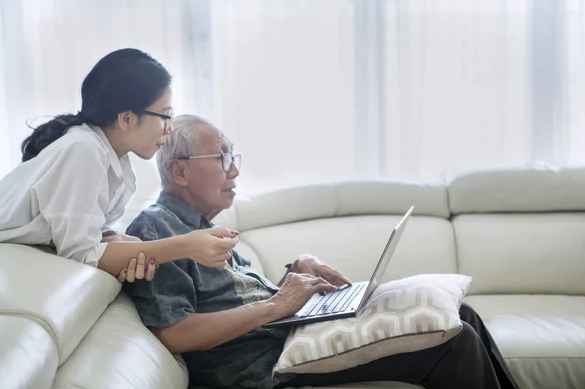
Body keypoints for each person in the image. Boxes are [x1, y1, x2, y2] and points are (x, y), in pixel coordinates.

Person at [123, 115, 520, 389]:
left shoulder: (203, 227)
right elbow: (172, 332)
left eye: (233, 157)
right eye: (222, 157)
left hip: (286, 338)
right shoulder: (158, 230)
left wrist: (294, 274)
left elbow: (242, 299)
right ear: (178, 171)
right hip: (264, 366)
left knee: (459, 313)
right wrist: (278, 304)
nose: (235, 170)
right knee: (453, 339)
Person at [0, 49, 238, 284]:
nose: (169, 128)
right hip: (0, 263)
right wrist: (184, 246)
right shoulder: (83, 149)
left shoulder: (113, 159)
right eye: (165, 115)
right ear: (126, 118)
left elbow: (89, 238)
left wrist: (129, 247)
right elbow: (82, 255)